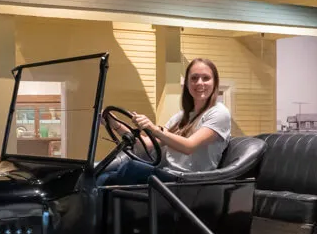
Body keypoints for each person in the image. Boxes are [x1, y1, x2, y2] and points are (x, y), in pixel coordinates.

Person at [97, 58, 231, 185]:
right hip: (168, 174)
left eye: (206, 78)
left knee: (131, 167)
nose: (199, 83)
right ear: (188, 83)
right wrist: (115, 123)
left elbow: (189, 146)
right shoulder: (181, 116)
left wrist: (153, 129)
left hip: (188, 180)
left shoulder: (219, 113)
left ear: (215, 83)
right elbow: (147, 145)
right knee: (100, 176)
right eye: (194, 78)